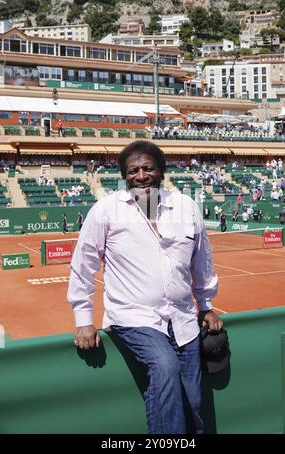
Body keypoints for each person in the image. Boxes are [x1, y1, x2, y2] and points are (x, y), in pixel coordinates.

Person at [67, 140, 223, 435]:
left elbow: (202, 261)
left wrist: (206, 306)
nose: (141, 175)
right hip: (133, 317)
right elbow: (83, 265)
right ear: (124, 176)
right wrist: (83, 320)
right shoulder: (106, 210)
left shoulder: (186, 207)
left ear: (161, 171)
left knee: (193, 398)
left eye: (148, 168)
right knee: (164, 367)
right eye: (132, 170)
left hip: (183, 320)